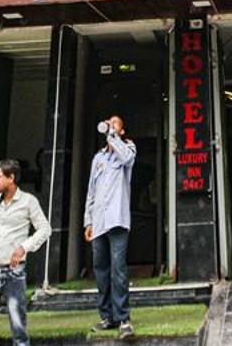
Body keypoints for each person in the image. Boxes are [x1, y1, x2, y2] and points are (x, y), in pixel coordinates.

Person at [0, 158, 49, 346]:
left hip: (14, 273)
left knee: (18, 328)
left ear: (11, 178)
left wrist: (24, 247)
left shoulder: (28, 202)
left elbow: (45, 229)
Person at [84, 113, 137, 339]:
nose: (110, 125)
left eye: (115, 124)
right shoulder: (98, 158)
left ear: (121, 131)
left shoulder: (128, 148)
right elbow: (91, 191)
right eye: (109, 122)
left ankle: (124, 319)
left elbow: (126, 158)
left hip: (117, 220)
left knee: (118, 270)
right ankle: (107, 317)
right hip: (99, 222)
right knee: (101, 270)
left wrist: (113, 136)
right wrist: (88, 221)